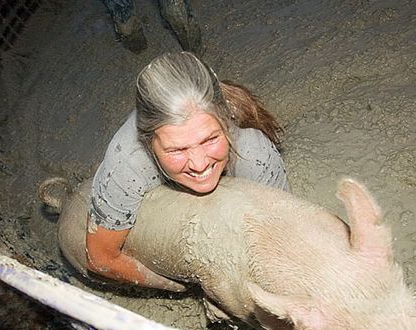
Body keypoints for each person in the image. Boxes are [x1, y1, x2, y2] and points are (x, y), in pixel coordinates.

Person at [86, 51, 289, 290]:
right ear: (148, 141)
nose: (199, 164)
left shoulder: (251, 150)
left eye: (210, 139)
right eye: (176, 150)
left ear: (224, 120)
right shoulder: (128, 165)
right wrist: (180, 285)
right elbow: (100, 259)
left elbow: (283, 232)